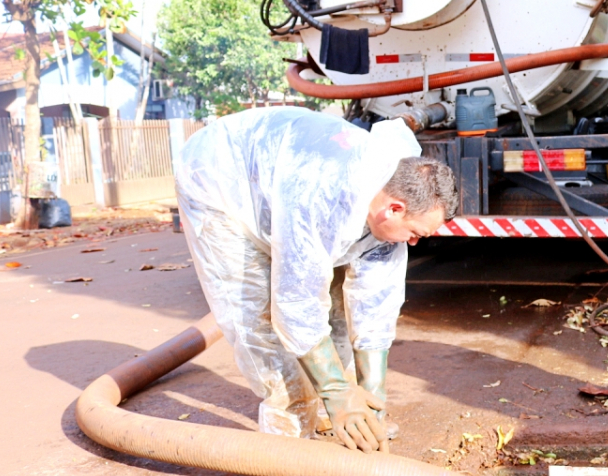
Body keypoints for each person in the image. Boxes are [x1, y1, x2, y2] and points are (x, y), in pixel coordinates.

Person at [175, 107, 457, 453]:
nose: (414, 243)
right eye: (415, 233)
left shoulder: (388, 191)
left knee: (334, 301)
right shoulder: (326, 195)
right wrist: (337, 392)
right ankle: (289, 432)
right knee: (258, 309)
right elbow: (297, 304)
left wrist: (374, 400)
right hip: (220, 179)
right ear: (394, 209)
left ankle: (345, 411)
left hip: (285, 184)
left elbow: (375, 305)